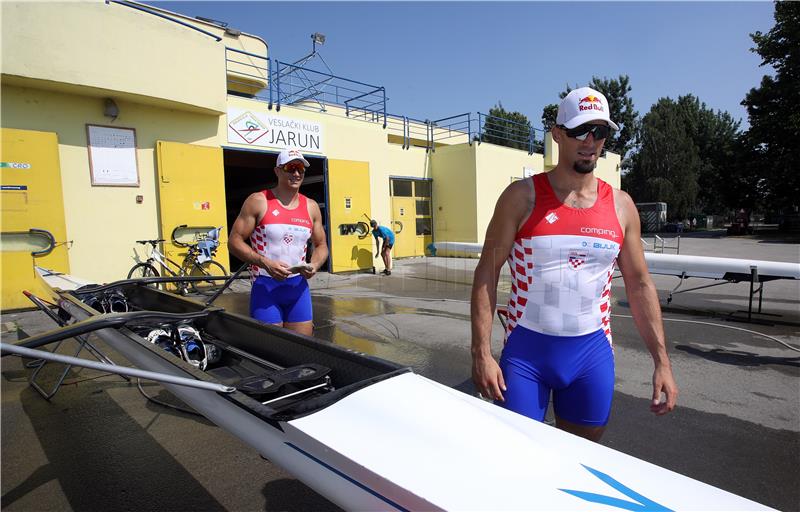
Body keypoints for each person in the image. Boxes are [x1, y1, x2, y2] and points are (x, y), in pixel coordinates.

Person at [470, 87, 678, 442]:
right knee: (518, 456)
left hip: (591, 355)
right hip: (526, 357)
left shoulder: (622, 206)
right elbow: (486, 274)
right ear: (557, 134)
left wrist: (662, 362)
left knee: (580, 460)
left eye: (600, 132)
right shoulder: (521, 197)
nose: (590, 141)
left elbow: (640, 284)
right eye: (581, 130)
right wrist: (481, 353)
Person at [228, 149, 328, 336]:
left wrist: (314, 264)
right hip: (266, 286)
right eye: (290, 168)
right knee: (270, 349)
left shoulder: (311, 206)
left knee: (302, 348)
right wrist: (265, 262)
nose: (296, 174)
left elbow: (321, 245)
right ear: (277, 171)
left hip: (298, 288)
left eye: (300, 169)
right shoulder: (258, 201)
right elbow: (234, 241)